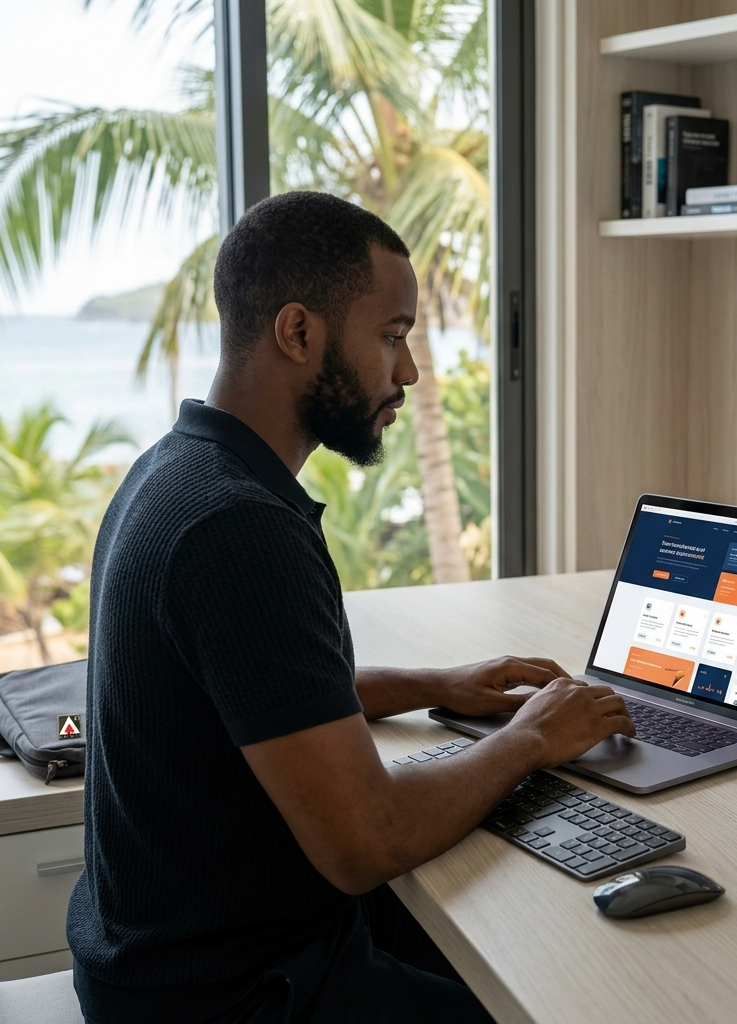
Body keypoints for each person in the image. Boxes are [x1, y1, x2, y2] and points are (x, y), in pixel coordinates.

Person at [67, 192, 635, 1024]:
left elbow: (263, 695)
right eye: (392, 335)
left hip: (170, 952)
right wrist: (532, 738)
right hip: (231, 993)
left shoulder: (178, 470)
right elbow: (366, 842)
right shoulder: (239, 528)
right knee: (567, 993)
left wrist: (440, 682)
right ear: (298, 333)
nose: (406, 372)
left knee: (526, 940)